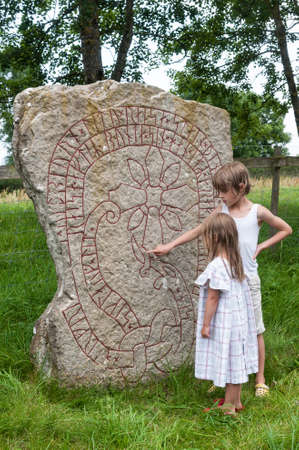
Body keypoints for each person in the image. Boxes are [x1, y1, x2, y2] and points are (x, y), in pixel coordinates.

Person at [148, 161, 292, 397]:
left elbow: (286, 228)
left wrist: (262, 246)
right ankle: (224, 377)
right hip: (224, 281)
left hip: (248, 280)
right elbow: (199, 230)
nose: (221, 196)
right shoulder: (221, 211)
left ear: (241, 186)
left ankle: (260, 378)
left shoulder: (258, 211)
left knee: (255, 329)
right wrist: (170, 245)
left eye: (224, 191)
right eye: (219, 191)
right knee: (224, 329)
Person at [194, 213, 258, 415]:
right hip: (238, 322)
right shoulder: (235, 262)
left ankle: (229, 408)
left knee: (230, 363)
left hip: (225, 322)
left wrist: (206, 324)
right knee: (236, 361)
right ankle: (236, 401)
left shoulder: (217, 266)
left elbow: (213, 298)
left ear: (214, 238)